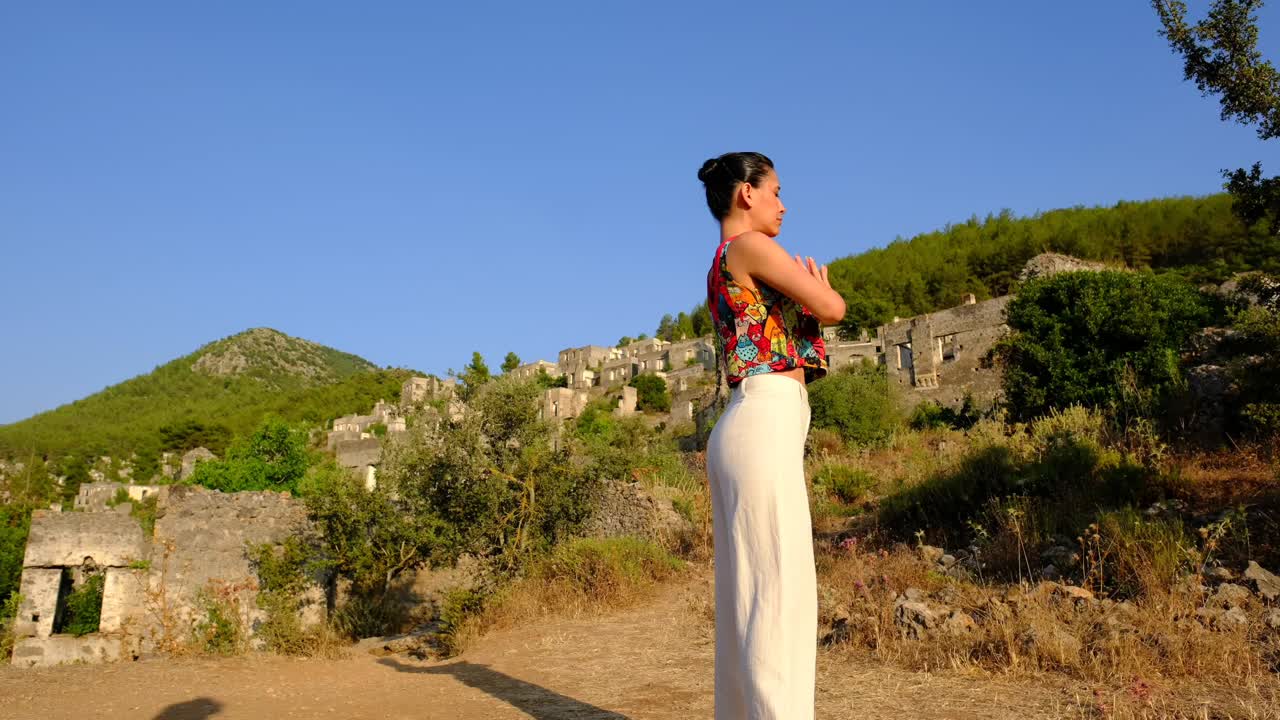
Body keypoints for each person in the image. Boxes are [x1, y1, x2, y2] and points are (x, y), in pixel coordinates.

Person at [699, 151, 846, 719]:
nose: (784, 204)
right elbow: (833, 308)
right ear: (746, 193)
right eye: (777, 191)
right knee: (779, 596)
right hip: (762, 422)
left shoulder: (723, 260)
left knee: (751, 600)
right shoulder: (751, 246)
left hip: (749, 423)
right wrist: (816, 290)